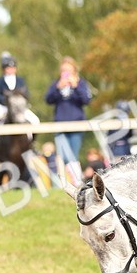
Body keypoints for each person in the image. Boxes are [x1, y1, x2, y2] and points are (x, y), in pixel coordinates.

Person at [45, 56, 92, 186]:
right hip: (60, 124)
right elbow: (48, 99)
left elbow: (86, 100)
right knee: (63, 156)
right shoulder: (57, 84)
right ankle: (63, 183)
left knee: (73, 154)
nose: (66, 73)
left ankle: (77, 182)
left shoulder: (81, 83)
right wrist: (57, 88)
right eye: (63, 70)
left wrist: (76, 86)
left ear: (74, 70)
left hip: (76, 124)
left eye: (68, 70)